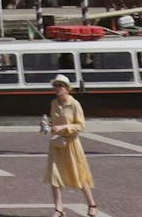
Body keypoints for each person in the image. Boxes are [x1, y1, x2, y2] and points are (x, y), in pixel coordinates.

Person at [44, 75, 96, 217]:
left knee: (79, 174)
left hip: (71, 143)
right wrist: (47, 124)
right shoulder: (54, 103)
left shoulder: (74, 104)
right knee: (54, 175)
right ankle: (59, 209)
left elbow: (81, 125)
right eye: (55, 86)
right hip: (57, 142)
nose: (57, 88)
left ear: (67, 89)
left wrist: (63, 127)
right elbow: (54, 121)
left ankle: (92, 204)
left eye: (60, 86)